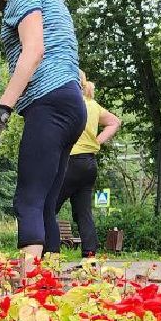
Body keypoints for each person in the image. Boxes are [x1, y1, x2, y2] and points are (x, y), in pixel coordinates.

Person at [0, 0, 85, 272]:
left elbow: (33, 51)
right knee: (46, 201)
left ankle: (26, 286)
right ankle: (48, 287)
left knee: (28, 199)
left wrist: (2, 108)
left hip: (49, 104)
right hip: (70, 104)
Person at [54, 72, 121, 258]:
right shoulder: (93, 105)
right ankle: (89, 256)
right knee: (84, 213)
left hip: (70, 161)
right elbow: (115, 122)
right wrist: (96, 142)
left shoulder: (67, 102)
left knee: (48, 208)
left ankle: (51, 255)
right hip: (89, 164)